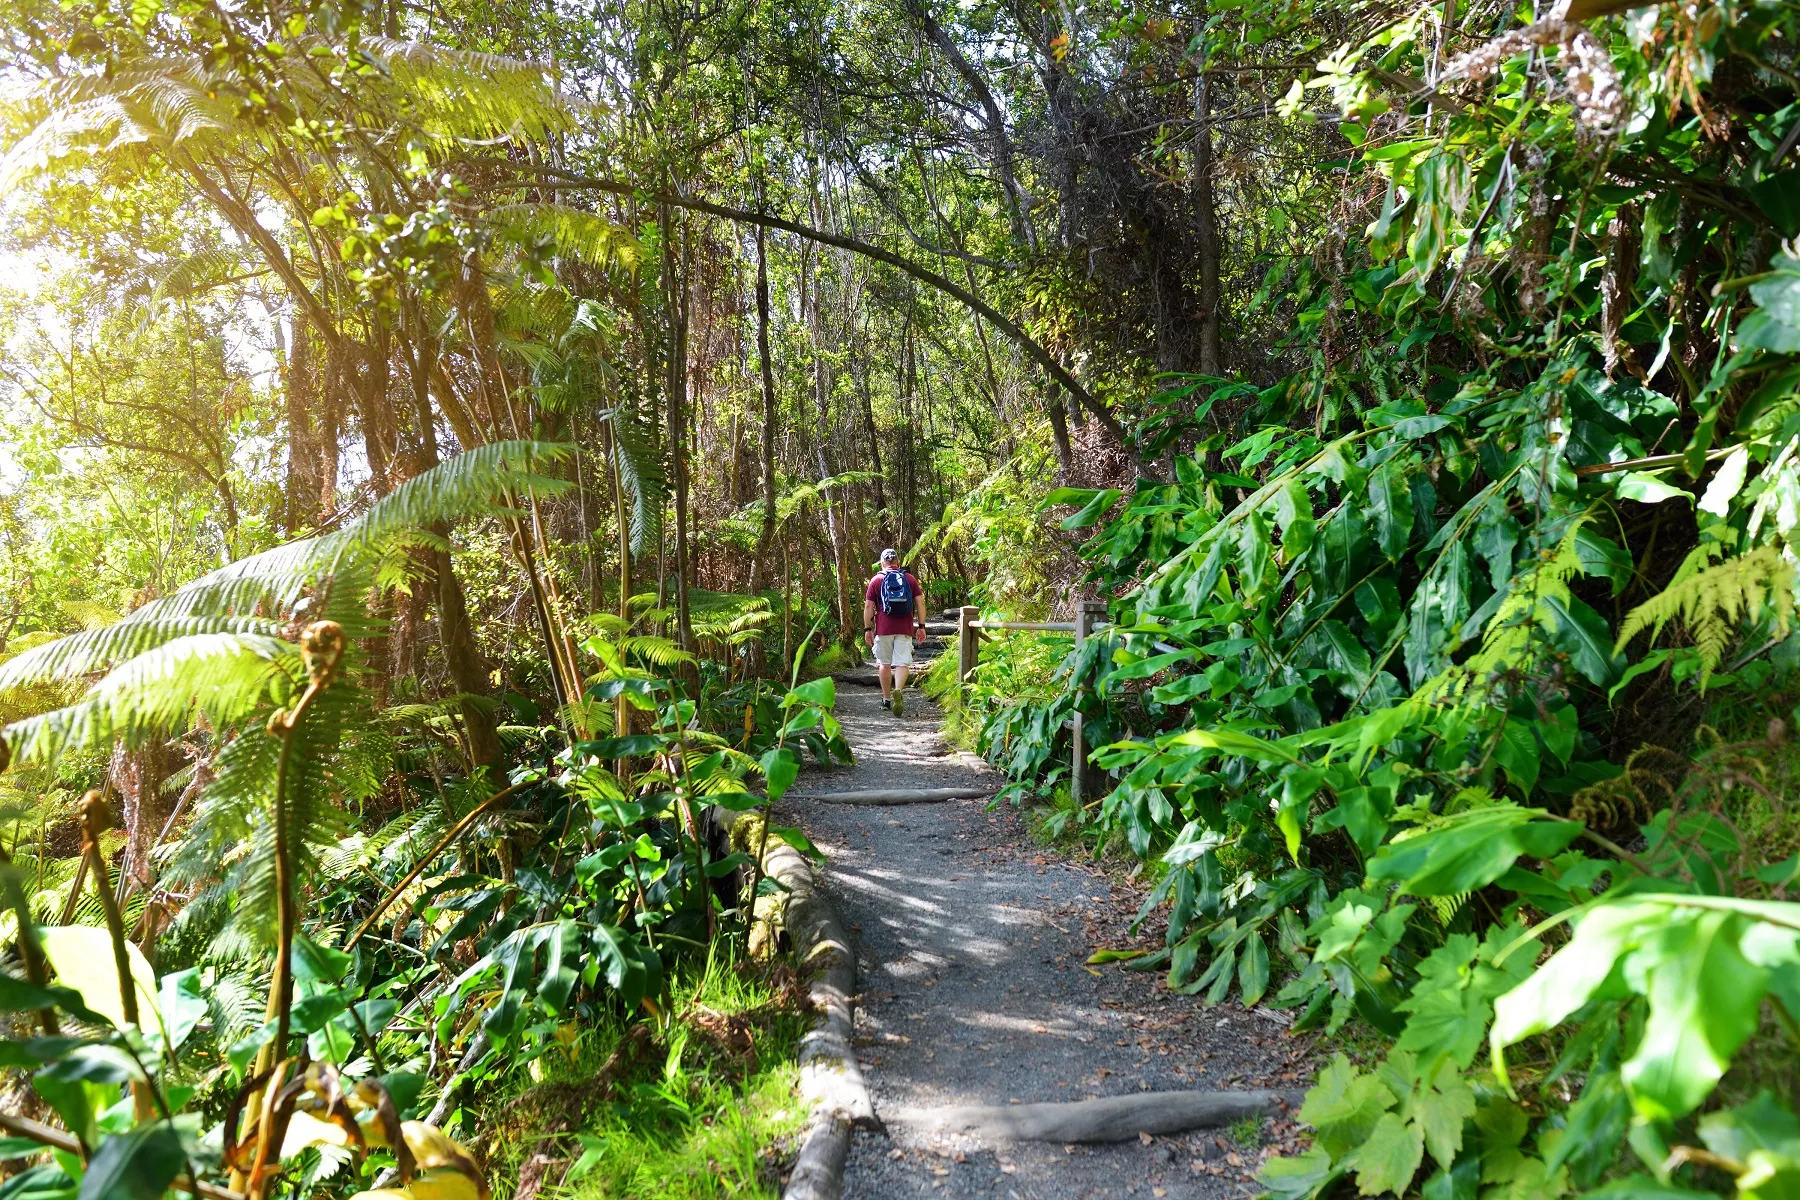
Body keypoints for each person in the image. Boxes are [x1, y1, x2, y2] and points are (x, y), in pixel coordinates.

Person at [863, 548, 926, 716]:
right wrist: (921, 626)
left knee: (884, 663)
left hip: (883, 628)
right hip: (904, 627)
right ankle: (898, 689)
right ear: (898, 562)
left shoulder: (876, 580)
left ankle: (886, 699)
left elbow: (869, 606)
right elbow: (920, 603)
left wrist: (867, 628)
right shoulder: (909, 579)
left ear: (883, 563)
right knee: (902, 663)